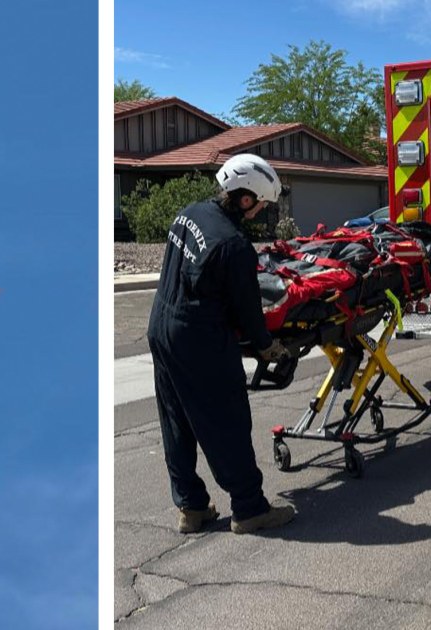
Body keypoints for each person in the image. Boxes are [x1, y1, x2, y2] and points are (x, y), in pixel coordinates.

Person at [147, 153, 297, 535]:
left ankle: (192, 508)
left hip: (161, 325)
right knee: (227, 420)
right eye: (260, 204)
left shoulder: (189, 213)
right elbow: (248, 310)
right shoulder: (234, 245)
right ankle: (249, 509)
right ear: (246, 198)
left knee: (176, 420)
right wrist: (267, 346)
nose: (261, 211)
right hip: (198, 338)